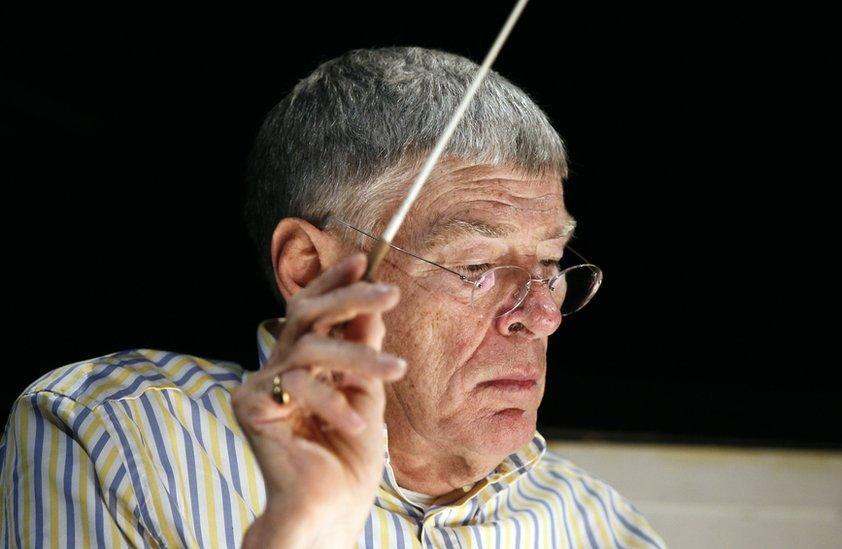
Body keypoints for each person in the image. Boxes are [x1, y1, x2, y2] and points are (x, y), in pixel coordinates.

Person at [0, 46, 666, 548]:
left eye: (549, 262)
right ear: (311, 270)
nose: (544, 315)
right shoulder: (118, 439)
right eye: (478, 263)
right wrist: (299, 529)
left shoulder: (603, 528)